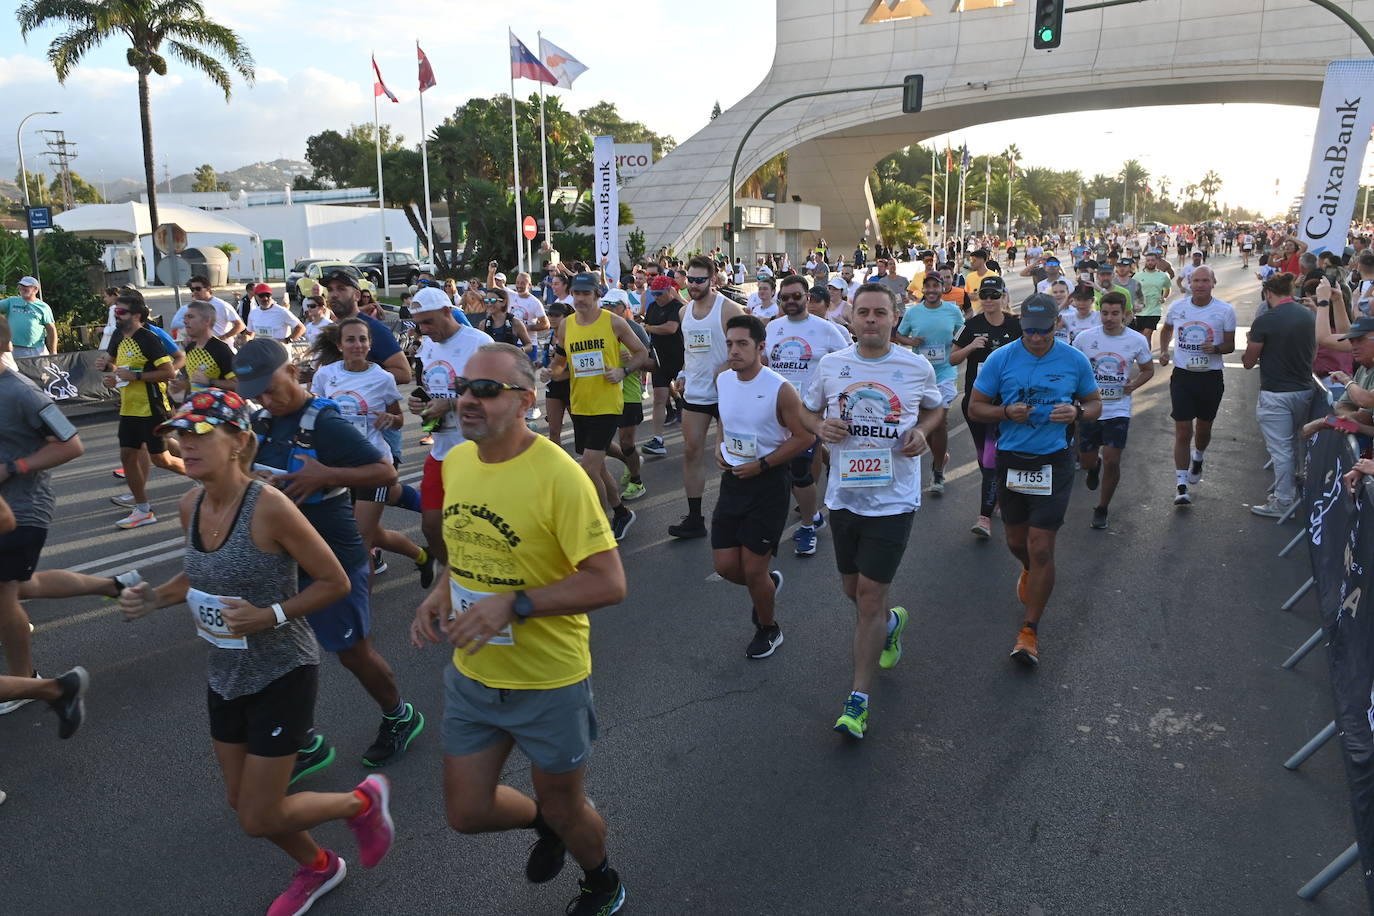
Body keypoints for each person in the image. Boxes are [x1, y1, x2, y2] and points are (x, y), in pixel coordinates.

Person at [117, 388, 395, 914]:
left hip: (282, 670)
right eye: (178, 435)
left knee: (257, 815)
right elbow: (196, 575)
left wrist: (271, 615)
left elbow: (333, 581)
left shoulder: (270, 508)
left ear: (239, 441)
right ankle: (319, 867)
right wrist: (154, 597)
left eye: (200, 433)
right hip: (226, 673)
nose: (184, 444)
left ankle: (361, 802)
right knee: (240, 800)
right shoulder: (189, 503)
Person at [408, 342, 629, 916]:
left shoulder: (560, 476)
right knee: (466, 813)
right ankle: (546, 824)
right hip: (474, 673)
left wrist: (517, 605)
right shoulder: (457, 461)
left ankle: (601, 880)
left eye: (486, 390)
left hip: (547, 679)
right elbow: (466, 545)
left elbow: (608, 583)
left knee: (567, 803)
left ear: (527, 401)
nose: (467, 400)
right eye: (463, 387)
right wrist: (439, 593)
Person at [234, 338, 428, 780]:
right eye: (257, 393)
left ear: (292, 371)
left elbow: (384, 473)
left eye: (269, 388)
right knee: (279, 650)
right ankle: (302, 740)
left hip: (332, 557)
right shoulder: (261, 421)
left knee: (351, 651)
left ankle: (400, 714)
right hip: (281, 558)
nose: (265, 399)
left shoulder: (324, 423)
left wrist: (327, 474)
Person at [803, 283, 945, 738]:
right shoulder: (831, 365)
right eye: (862, 312)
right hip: (845, 495)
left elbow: (934, 410)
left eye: (879, 313)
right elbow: (806, 413)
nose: (870, 320)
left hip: (894, 499)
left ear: (894, 318)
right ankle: (891, 623)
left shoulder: (915, 366)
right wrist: (819, 426)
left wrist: (922, 433)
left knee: (866, 597)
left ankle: (858, 700)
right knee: (852, 588)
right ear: (851, 318)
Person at [967, 294, 1101, 666]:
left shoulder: (1073, 359)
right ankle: (1028, 570)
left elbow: (1094, 405)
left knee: (1042, 546)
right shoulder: (1002, 358)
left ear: (1057, 324)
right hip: (1012, 459)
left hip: (1054, 462)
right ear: (1021, 324)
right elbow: (976, 408)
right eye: (1030, 331)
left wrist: (1075, 411)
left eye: (1045, 331)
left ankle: (1029, 631)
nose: (1038, 338)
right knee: (1016, 540)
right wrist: (1005, 412)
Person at [713, 315, 814, 658]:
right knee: (725, 566)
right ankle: (767, 587)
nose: (734, 350)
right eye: (729, 343)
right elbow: (726, 420)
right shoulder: (724, 380)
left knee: (754, 568)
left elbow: (805, 436)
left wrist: (764, 464)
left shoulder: (779, 388)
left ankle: (769, 628)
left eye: (742, 344)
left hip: (768, 484)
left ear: (760, 347)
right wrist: (719, 446)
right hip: (733, 481)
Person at [0, 316, 85, 714]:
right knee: (17, 590)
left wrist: (13, 467)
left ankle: (23, 682)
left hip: (22, 511)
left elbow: (71, 445)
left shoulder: (22, 392)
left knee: (4, 595)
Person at [309, 318, 435, 584]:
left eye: (362, 339)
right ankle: (423, 556)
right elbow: (314, 415)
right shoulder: (325, 375)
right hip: (338, 467)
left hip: (373, 465)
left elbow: (398, 419)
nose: (357, 345)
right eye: (351, 340)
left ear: (370, 344)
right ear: (339, 344)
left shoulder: (382, 378)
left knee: (359, 540)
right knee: (373, 533)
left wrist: (390, 420)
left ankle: (358, 615)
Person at [545, 273, 648, 540]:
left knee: (588, 468)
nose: (579, 299)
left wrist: (622, 372)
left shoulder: (614, 322)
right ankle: (621, 512)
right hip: (580, 404)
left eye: (585, 294)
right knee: (599, 469)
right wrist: (552, 371)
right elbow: (560, 360)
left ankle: (598, 526)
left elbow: (642, 354)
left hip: (607, 405)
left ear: (596, 295)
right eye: (576, 294)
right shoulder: (566, 325)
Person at [764, 274, 852, 555]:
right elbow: (763, 363)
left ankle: (806, 528)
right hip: (775, 411)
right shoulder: (772, 328)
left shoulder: (826, 330)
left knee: (800, 469)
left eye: (796, 296)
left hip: (809, 411)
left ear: (808, 298)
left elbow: (846, 364)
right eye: (785, 298)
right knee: (780, 469)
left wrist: (834, 404)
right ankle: (812, 514)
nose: (791, 302)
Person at [406, 287, 494, 568]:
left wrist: (452, 404)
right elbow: (432, 387)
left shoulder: (479, 342)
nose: (424, 329)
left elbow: (498, 393)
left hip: (477, 451)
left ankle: (478, 582)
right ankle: (454, 577)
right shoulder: (428, 345)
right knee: (431, 526)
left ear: (448, 312)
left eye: (429, 322)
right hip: (442, 451)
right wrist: (419, 403)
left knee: (477, 528)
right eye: (419, 323)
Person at [669, 256, 744, 538]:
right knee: (691, 452)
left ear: (713, 280)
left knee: (731, 456)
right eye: (690, 279)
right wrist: (683, 373)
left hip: (728, 393)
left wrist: (728, 367)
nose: (694, 285)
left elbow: (750, 346)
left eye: (700, 280)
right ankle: (694, 518)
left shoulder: (729, 309)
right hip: (697, 394)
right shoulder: (683, 313)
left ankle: (737, 514)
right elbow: (691, 351)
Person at [99, 292, 185, 529]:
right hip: (129, 407)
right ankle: (142, 509)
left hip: (152, 406)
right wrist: (108, 372)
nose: (116, 315)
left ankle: (208, 477)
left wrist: (136, 376)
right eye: (116, 311)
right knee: (127, 456)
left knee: (162, 460)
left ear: (136, 315)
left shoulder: (149, 338)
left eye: (121, 311)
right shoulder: (118, 335)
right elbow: (113, 364)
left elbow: (169, 372)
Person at [1072, 292, 1155, 529]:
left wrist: (1133, 385)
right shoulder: (1084, 339)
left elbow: (1148, 369)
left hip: (1118, 409)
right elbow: (1071, 365)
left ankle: (1102, 507)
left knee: (1112, 459)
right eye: (1105, 313)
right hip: (1088, 409)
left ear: (1126, 315)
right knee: (1088, 461)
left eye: (1115, 313)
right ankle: (1092, 467)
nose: (1109, 318)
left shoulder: (1136, 340)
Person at [950, 277, 1022, 539]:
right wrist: (970, 347)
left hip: (1007, 403)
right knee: (984, 458)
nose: (989, 299)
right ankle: (998, 492)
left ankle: (984, 516)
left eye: (994, 294)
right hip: (977, 403)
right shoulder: (971, 325)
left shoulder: (1017, 324)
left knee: (992, 456)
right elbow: (952, 357)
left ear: (1003, 296)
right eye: (984, 294)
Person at [1159, 265, 1236, 506]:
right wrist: (1163, 350)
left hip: (1210, 377)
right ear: (1189, 283)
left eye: (1205, 281)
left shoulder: (1225, 310)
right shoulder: (1178, 307)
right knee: (1183, 430)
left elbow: (1230, 345)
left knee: (1203, 428)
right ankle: (1181, 485)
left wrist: (1215, 349)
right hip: (1183, 376)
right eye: (1196, 281)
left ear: (1213, 283)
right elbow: (1167, 329)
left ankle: (1199, 456)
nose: (1200, 285)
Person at [1241, 272, 1316, 517]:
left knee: (1281, 450)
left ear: (1269, 294)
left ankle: (1284, 501)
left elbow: (1248, 362)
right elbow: (1313, 353)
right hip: (1304, 389)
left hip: (1276, 393)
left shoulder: (1266, 320)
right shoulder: (1308, 315)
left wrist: (1250, 341)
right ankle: (1296, 491)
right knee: (1297, 444)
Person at [894, 273, 965, 495]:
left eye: (937, 286)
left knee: (940, 421)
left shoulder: (953, 310)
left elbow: (963, 333)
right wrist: (910, 341)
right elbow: (898, 335)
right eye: (929, 286)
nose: (933, 290)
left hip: (945, 372)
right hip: (920, 374)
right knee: (922, 422)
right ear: (923, 289)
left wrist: (955, 348)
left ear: (942, 287)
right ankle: (937, 458)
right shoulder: (913, 312)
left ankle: (937, 470)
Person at [599, 290, 650, 501]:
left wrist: (633, 360)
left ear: (623, 306)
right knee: (599, 443)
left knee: (627, 442)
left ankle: (637, 482)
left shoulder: (636, 329)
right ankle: (631, 461)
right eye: (604, 304)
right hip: (603, 394)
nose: (607, 309)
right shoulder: (598, 326)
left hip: (628, 394)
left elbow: (654, 365)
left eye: (611, 305)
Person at [170, 275, 246, 343]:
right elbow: (177, 324)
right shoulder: (193, 307)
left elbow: (240, 326)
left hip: (222, 349)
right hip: (201, 351)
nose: (194, 292)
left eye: (198, 289)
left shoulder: (222, 305)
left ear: (208, 289)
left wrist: (223, 337)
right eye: (192, 289)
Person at [0, 277, 56, 358]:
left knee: (39, 371)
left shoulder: (43, 307)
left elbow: (51, 330)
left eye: (26, 286)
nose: (22, 288)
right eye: (21, 286)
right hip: (13, 349)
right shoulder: (11, 301)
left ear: (35, 289)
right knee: (13, 371)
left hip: (36, 350)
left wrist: (53, 351)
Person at [1131, 249, 1173, 347]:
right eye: (1148, 260)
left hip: (1155, 310)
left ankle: (1145, 358)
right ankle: (1146, 358)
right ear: (1145, 262)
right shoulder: (1137, 276)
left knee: (1147, 333)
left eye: (1152, 260)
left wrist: (1164, 297)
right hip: (1140, 310)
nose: (1150, 262)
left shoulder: (1163, 276)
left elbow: (1167, 288)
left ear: (1156, 261)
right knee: (1143, 336)